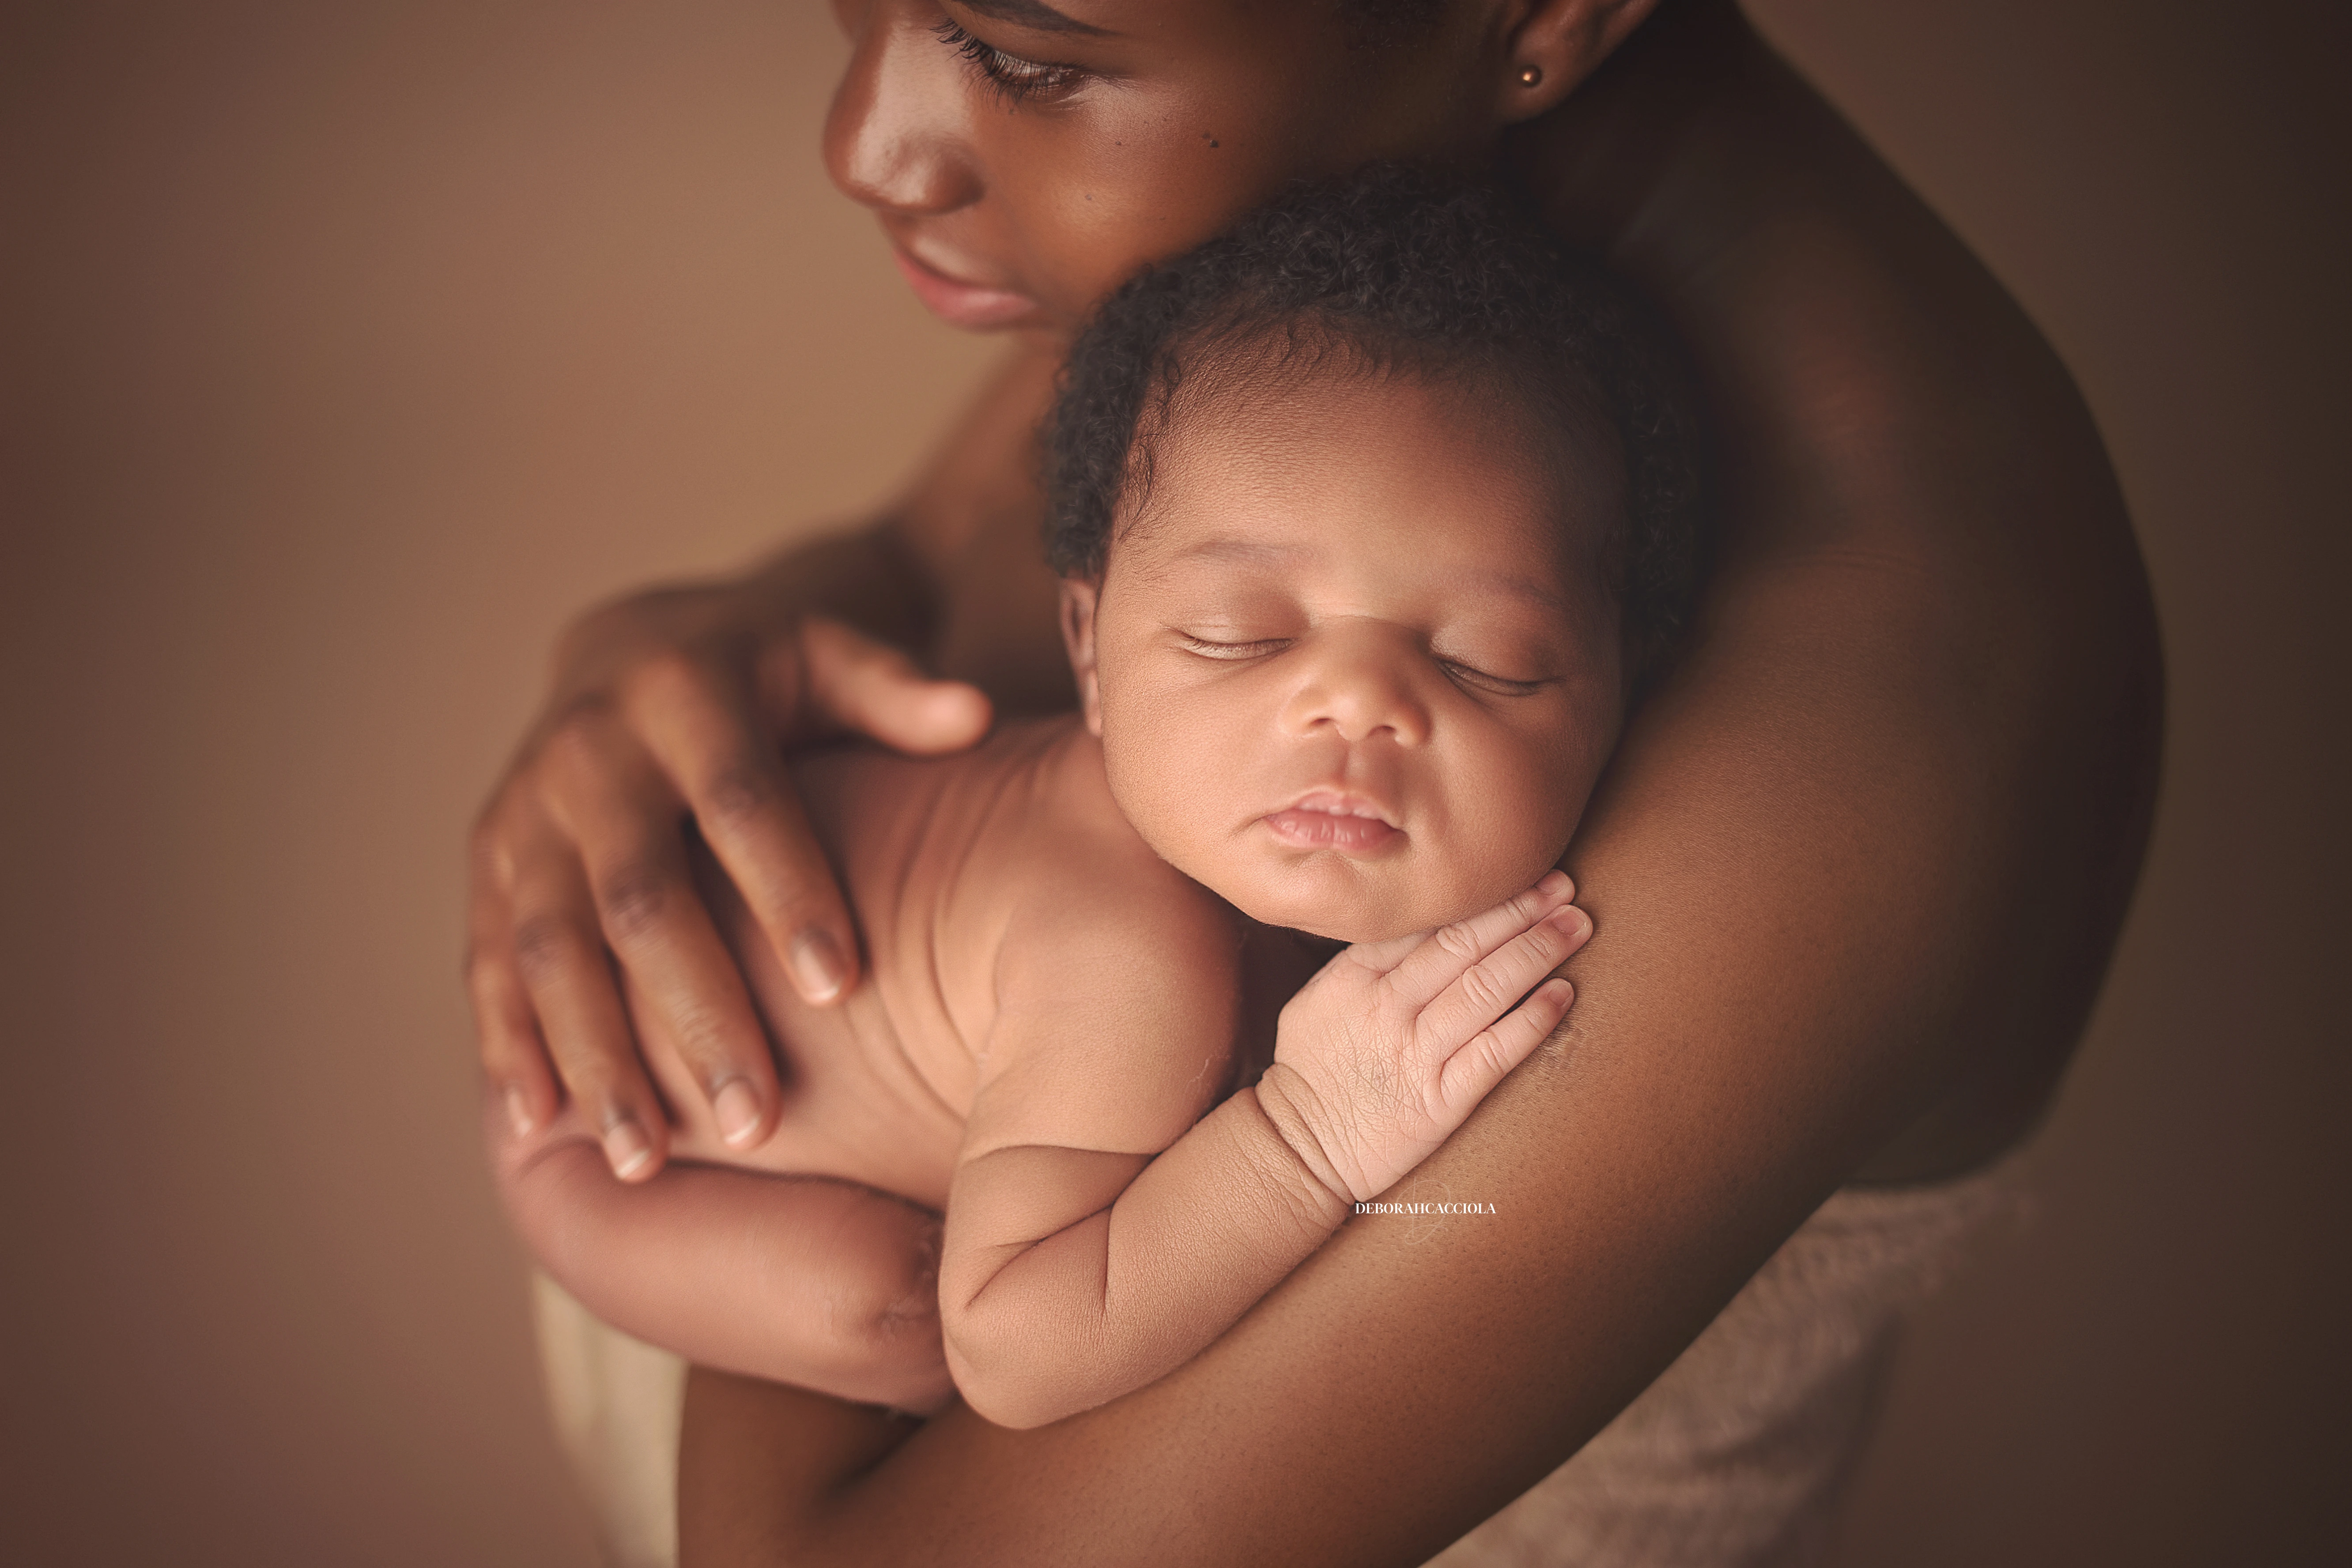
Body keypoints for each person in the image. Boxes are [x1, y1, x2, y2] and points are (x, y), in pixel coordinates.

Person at [465, 1, 2161, 1562]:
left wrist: (811, 1088)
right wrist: (694, 641)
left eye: (1029, 48)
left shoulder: (1848, 731)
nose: (865, 142)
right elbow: (927, 564)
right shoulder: (1333, 265)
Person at [494, 170, 1695, 1433]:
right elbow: (1014, 1346)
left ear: (1628, 689)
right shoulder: (1133, 943)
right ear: (1091, 652)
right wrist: (1311, 1133)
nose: (1354, 707)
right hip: (603, 1128)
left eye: (1483, 658)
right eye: (1237, 636)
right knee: (897, 1323)